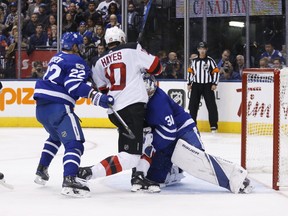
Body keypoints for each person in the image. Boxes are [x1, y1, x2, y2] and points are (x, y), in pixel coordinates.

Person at [79, 26, 162, 193]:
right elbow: (156, 67)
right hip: (132, 107)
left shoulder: (98, 61)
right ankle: (87, 173)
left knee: (147, 135)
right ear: (122, 39)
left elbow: (102, 89)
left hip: (116, 111)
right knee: (130, 157)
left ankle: (138, 176)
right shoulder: (132, 48)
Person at [33, 32, 114, 198]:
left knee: (55, 137)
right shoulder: (76, 60)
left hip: (41, 109)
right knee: (74, 143)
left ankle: (41, 170)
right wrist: (97, 97)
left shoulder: (57, 57)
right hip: (59, 107)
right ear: (75, 46)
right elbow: (73, 85)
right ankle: (70, 179)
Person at [187, 41, 220, 133]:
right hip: (196, 85)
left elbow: (216, 71)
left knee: (211, 105)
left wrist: (214, 83)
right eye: (200, 49)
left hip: (207, 85)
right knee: (193, 106)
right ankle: (193, 125)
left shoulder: (210, 60)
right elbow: (190, 72)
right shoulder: (194, 61)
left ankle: (213, 125)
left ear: (206, 50)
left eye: (204, 49)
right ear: (198, 49)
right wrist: (189, 83)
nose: (202, 51)